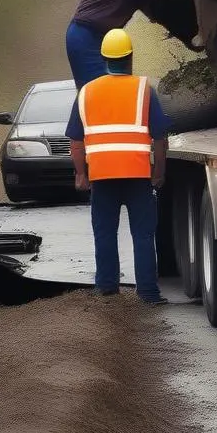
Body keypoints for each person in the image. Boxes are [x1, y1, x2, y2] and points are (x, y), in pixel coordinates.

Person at [66, 27, 172, 304]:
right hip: (137, 177)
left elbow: (76, 142)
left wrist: (81, 175)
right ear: (130, 57)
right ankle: (148, 293)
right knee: (143, 235)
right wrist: (158, 172)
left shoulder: (86, 92)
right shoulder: (144, 91)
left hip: (102, 178)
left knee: (104, 233)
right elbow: (160, 138)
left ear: (104, 58)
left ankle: (107, 289)